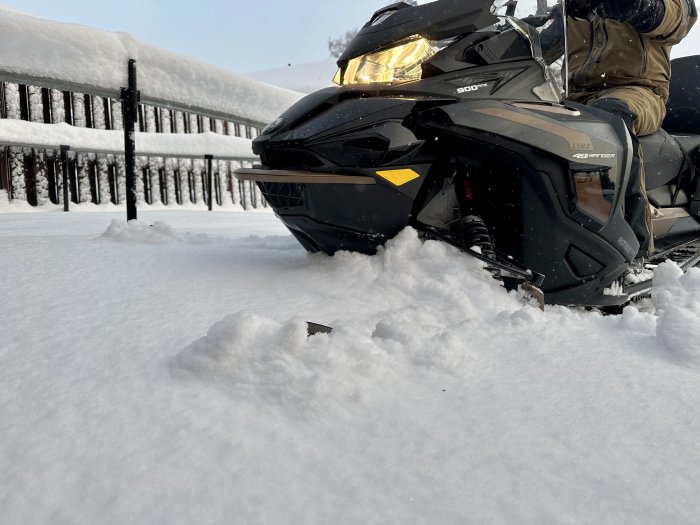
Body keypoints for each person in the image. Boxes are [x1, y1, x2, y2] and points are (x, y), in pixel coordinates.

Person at [564, 0, 697, 258]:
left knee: (607, 120)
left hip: (637, 90)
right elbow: (542, 36)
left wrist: (638, 7)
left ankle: (633, 250)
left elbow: (678, 19)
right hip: (573, 94)